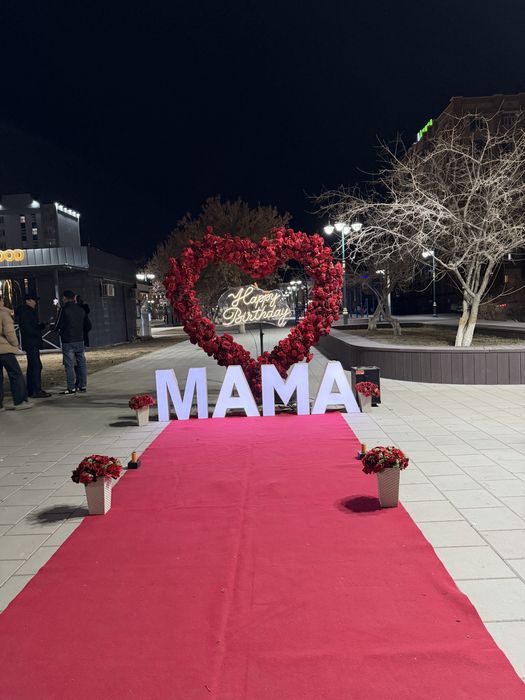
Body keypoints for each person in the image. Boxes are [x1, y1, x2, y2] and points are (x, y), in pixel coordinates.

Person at [15, 294, 51, 399]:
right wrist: (37, 331)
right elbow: (28, 328)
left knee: (32, 366)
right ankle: (36, 390)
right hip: (31, 342)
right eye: (33, 300)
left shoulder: (26, 311)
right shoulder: (27, 312)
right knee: (36, 366)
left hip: (30, 342)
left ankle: (31, 389)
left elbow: (30, 326)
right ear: (28, 301)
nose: (35, 302)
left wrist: (41, 326)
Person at [0, 297, 33, 410]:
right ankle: (20, 401)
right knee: (16, 374)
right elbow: (9, 332)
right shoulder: (4, 314)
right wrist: (15, 344)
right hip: (4, 349)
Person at [55, 290, 88, 395]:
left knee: (69, 365)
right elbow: (86, 324)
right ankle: (82, 385)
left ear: (64, 298)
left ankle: (71, 387)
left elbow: (58, 324)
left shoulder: (63, 310)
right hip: (80, 339)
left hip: (68, 340)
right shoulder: (81, 310)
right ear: (74, 298)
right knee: (81, 363)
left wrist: (53, 328)